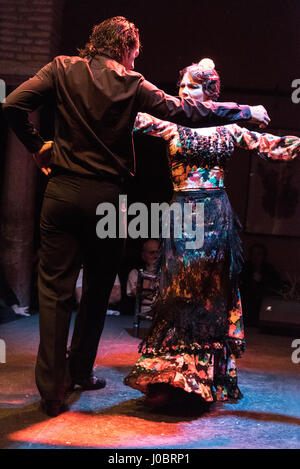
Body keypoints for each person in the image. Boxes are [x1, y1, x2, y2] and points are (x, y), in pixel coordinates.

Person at [2, 15, 270, 417]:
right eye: (134, 54)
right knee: (96, 290)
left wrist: (37, 146)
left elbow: (11, 104)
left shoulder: (60, 67)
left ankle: (52, 392)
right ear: (127, 50)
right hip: (107, 199)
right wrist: (243, 109)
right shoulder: (132, 82)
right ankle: (79, 371)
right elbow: (187, 113)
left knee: (54, 294)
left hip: (61, 192)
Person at [124, 58, 300, 408]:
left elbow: (274, 147)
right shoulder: (169, 126)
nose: (184, 92)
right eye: (182, 87)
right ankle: (171, 377)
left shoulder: (231, 130)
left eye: (192, 86)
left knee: (208, 297)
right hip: (182, 215)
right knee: (177, 294)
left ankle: (201, 380)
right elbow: (125, 117)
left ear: (209, 91)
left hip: (215, 216)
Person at [240, 243, 281, 326]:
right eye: (253, 254)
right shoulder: (244, 268)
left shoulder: (269, 270)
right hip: (246, 302)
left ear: (263, 256)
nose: (256, 257)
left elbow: (275, 285)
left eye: (259, 254)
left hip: (263, 303)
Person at [127, 239, 159, 316]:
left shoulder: (168, 273)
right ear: (143, 256)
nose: (156, 256)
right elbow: (139, 293)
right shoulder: (135, 273)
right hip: (145, 316)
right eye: (152, 253)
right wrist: (150, 272)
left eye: (158, 252)